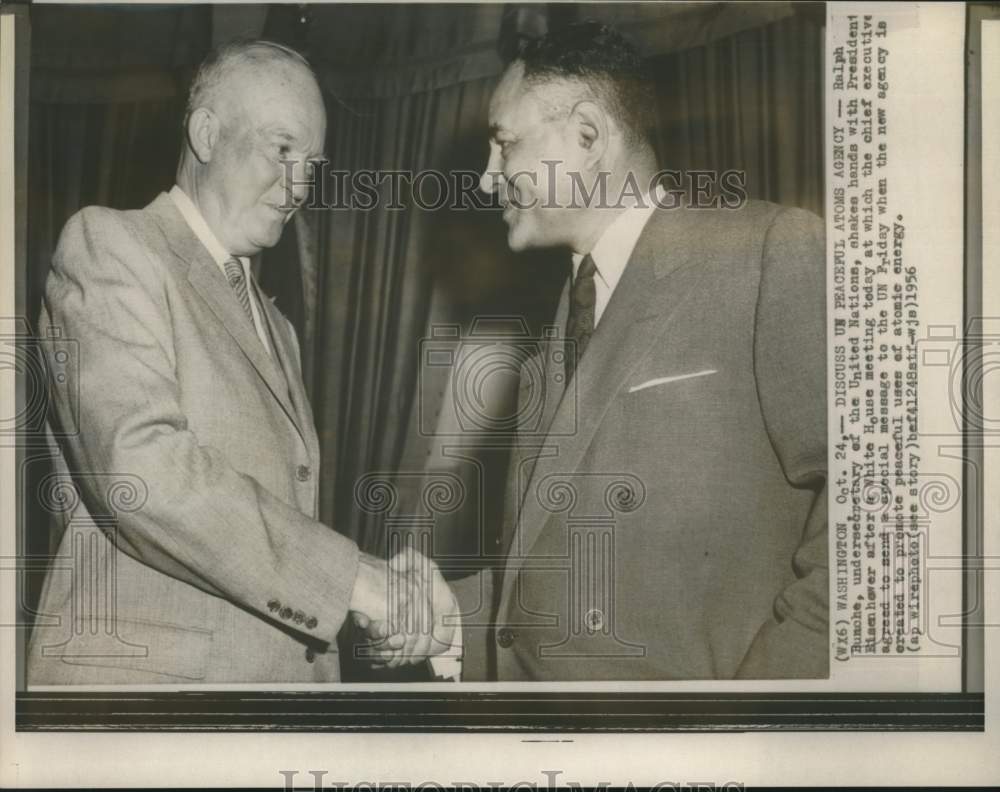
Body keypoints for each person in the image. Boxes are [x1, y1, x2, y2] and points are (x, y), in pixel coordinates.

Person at [27, 40, 453, 685]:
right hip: (148, 707)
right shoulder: (112, 244)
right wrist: (356, 582)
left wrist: (376, 585)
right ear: (205, 132)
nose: (300, 185)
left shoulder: (277, 325)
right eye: (282, 151)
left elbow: (262, 525)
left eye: (312, 163)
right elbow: (141, 472)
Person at [430, 21, 828, 680]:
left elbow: (876, 516)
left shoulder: (768, 253)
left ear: (587, 137)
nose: (485, 179)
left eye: (504, 145)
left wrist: (762, 714)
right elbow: (544, 584)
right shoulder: (547, 339)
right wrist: (437, 619)